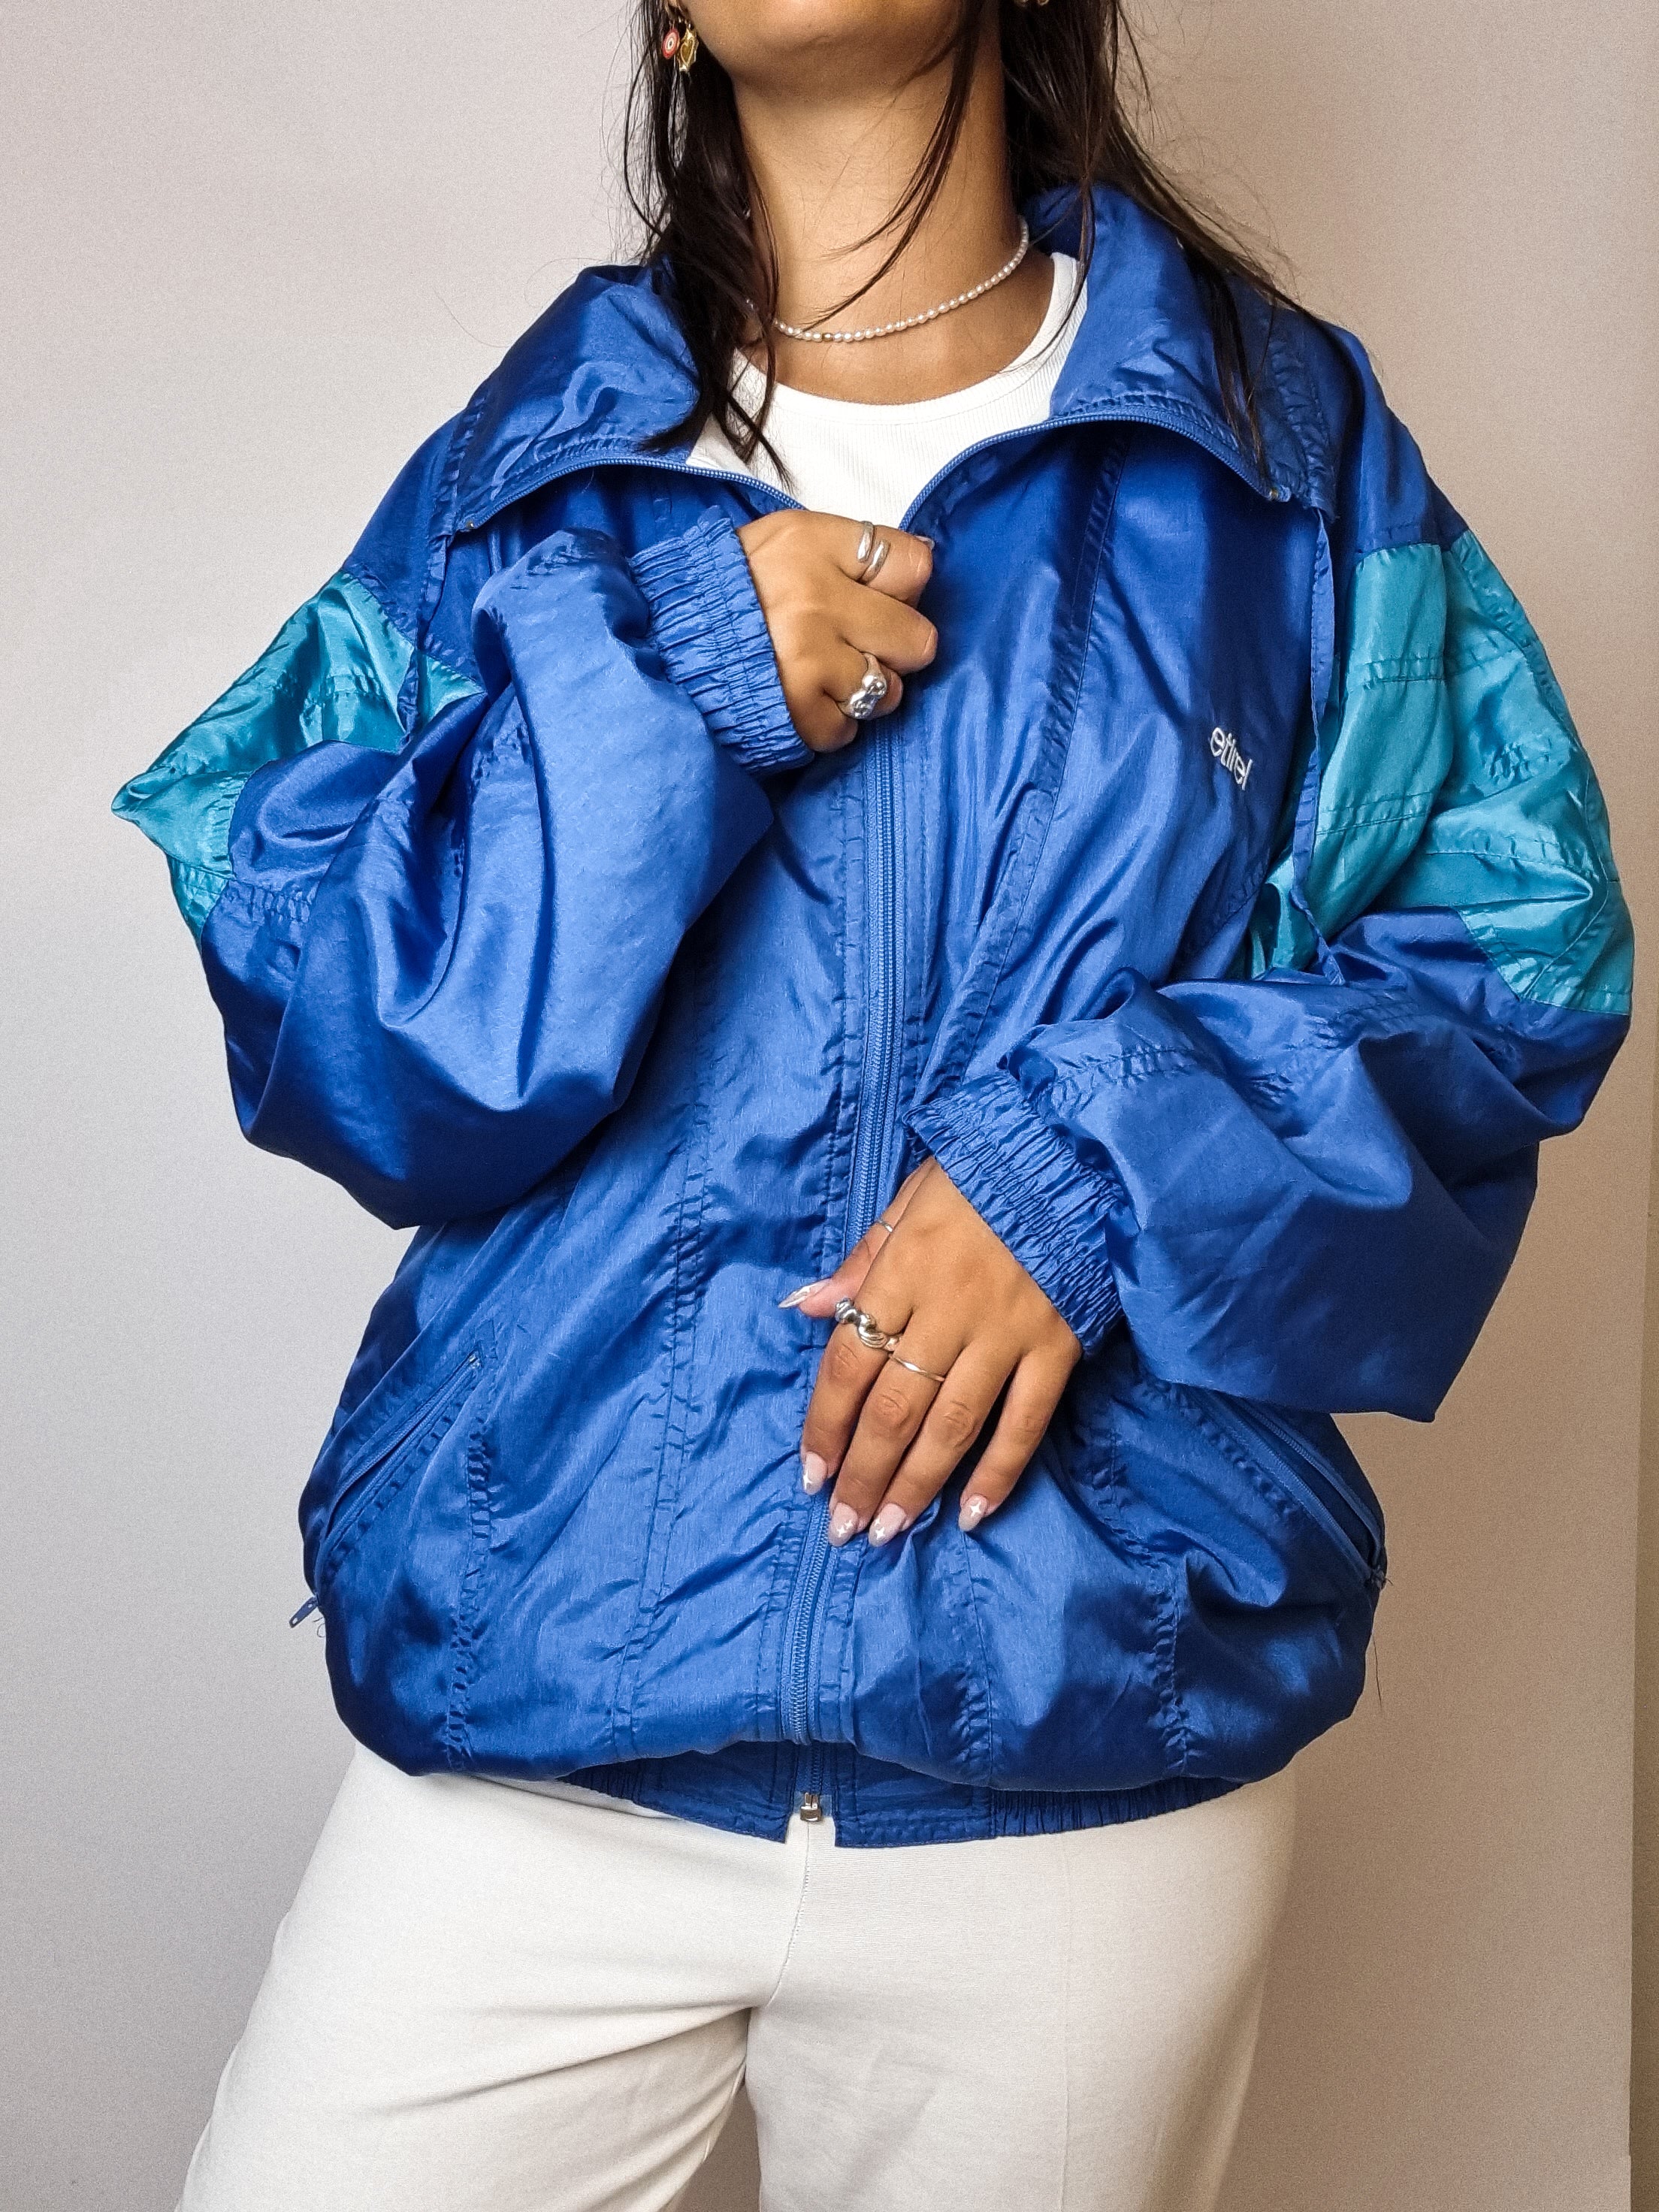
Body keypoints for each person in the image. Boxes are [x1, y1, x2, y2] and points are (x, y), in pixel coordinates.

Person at [112, 3, 1632, 2207]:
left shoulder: (1281, 456)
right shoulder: (534, 466)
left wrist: (1092, 1165)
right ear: (669, 18)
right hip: (554, 1707)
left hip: (1077, 1749)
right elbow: (341, 1017)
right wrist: (672, 684)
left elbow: (1519, 955)